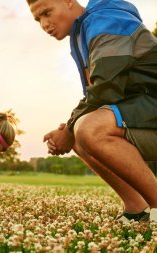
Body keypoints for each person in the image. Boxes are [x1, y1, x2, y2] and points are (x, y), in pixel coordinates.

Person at [26, 0, 157, 223]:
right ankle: (137, 208)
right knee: (82, 129)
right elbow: (98, 95)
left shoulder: (107, 20)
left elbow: (106, 88)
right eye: (38, 19)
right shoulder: (84, 31)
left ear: (68, 1)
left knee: (88, 128)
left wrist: (69, 127)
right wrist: (71, 127)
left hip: (150, 108)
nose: (45, 24)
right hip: (145, 112)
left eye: (47, 13)